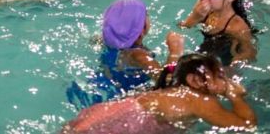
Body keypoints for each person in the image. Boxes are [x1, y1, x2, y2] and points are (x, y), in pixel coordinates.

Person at [64, 53, 257, 133]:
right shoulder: (199, 99)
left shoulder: (171, 87)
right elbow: (247, 126)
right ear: (194, 81)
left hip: (102, 113)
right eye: (219, 77)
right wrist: (234, 96)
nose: (225, 82)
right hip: (123, 124)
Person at [88, 0, 185, 101]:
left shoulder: (103, 40)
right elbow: (168, 82)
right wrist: (175, 52)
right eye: (146, 14)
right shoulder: (138, 55)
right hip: (124, 97)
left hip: (103, 84)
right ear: (142, 29)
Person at [178, 0, 256, 65]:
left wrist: (233, 67)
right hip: (204, 54)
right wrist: (195, 17)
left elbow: (249, 53)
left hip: (223, 60)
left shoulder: (237, 27)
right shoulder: (202, 7)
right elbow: (183, 28)